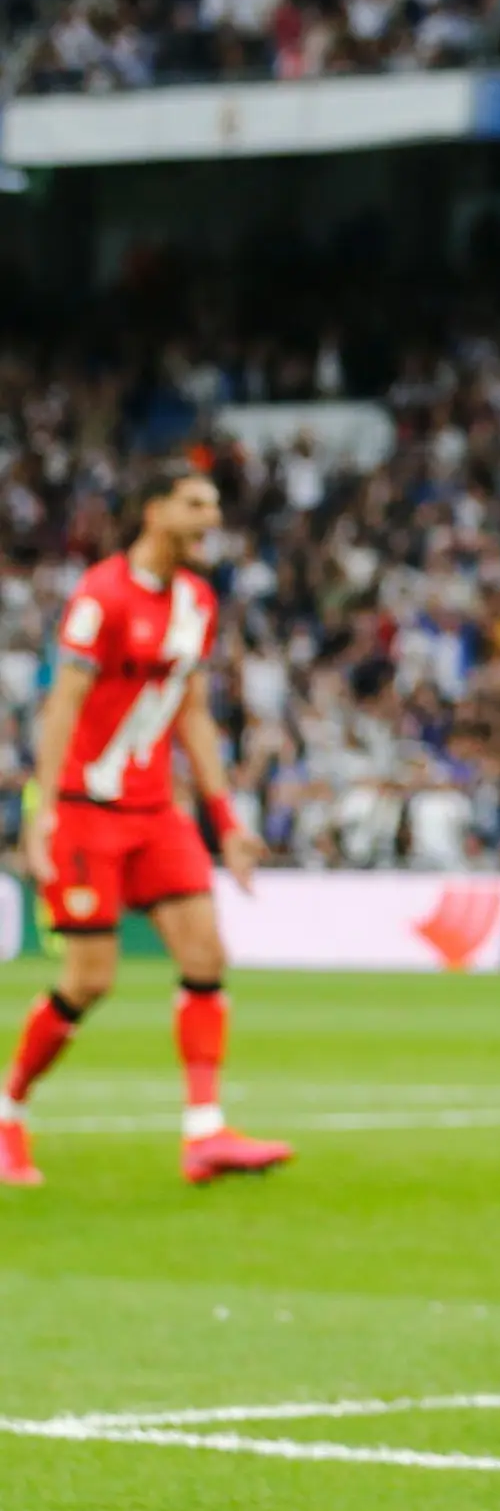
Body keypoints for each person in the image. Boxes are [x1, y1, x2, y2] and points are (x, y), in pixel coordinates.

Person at [5, 464, 289, 1190]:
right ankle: (8, 1113)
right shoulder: (99, 596)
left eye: (215, 506)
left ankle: (205, 1133)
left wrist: (225, 818)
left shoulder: (198, 599)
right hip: (86, 810)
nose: (210, 518)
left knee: (205, 953)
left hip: (157, 810)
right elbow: (62, 706)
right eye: (196, 505)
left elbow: (190, 710)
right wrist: (41, 810)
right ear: (155, 511)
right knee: (90, 980)